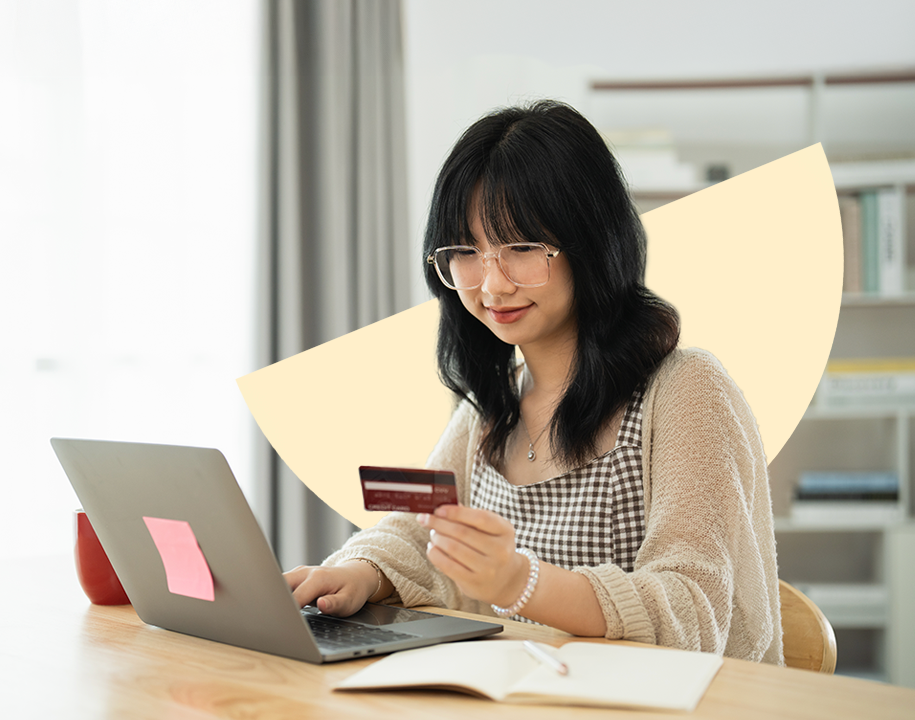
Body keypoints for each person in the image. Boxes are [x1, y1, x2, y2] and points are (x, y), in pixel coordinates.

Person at [283, 99, 782, 663]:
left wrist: (520, 581)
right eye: (466, 253)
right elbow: (414, 534)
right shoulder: (492, 409)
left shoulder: (686, 390)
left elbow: (692, 610)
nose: (492, 285)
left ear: (592, 245)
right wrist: (360, 572)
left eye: (521, 248)